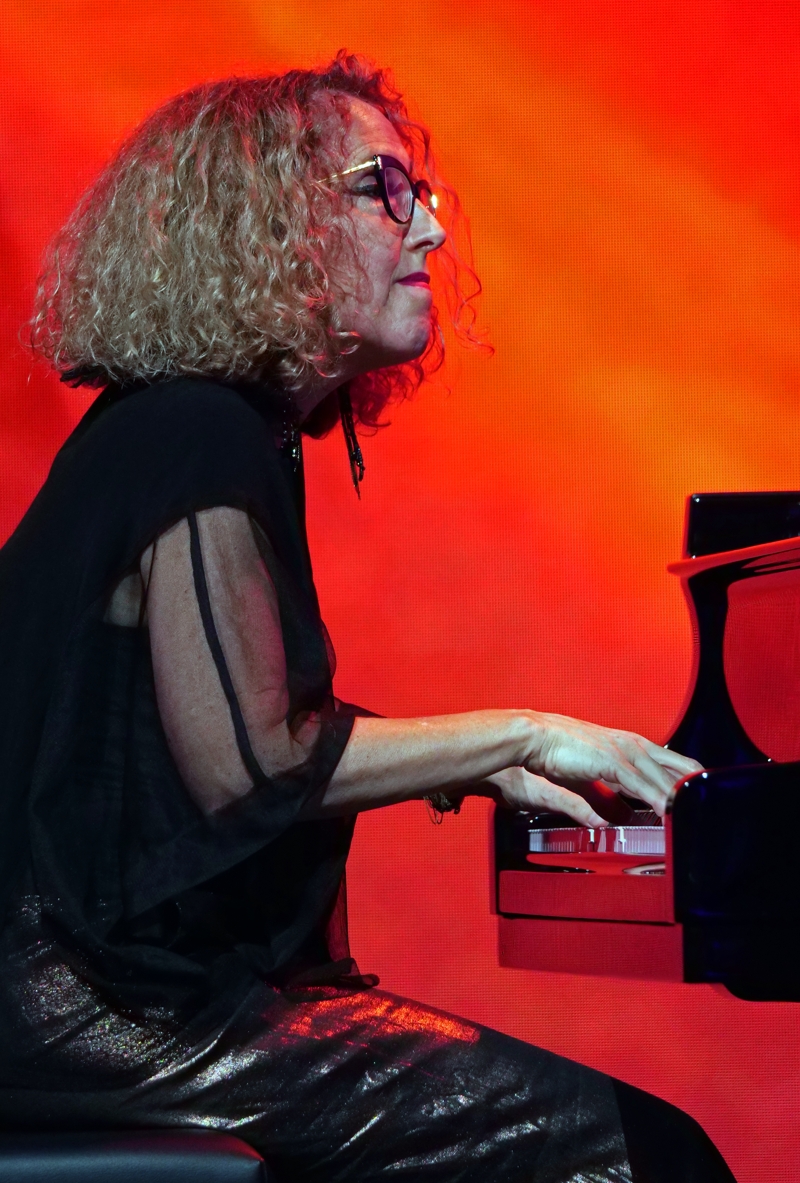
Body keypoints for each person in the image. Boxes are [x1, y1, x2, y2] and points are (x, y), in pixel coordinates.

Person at [0, 53, 735, 1183]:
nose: (430, 229)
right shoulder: (197, 435)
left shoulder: (187, 428)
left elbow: (196, 747)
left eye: (419, 192)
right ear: (267, 227)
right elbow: (248, 766)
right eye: (381, 190)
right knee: (653, 1156)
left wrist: (473, 768)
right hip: (96, 1014)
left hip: (85, 1003)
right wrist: (526, 734)